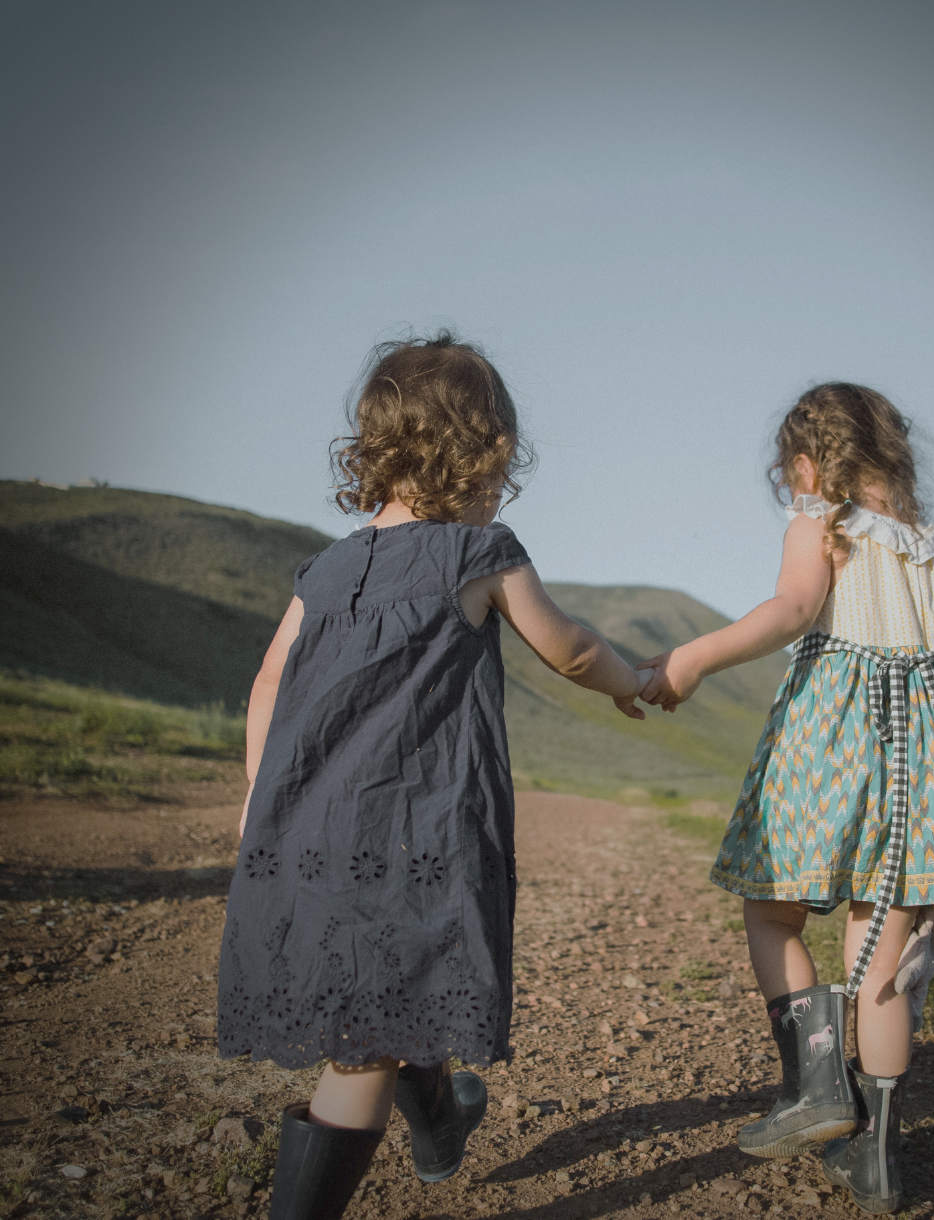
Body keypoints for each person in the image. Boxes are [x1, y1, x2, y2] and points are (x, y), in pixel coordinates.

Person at [217, 333, 650, 1220]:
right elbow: (567, 649)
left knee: (388, 988)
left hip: (303, 826)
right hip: (411, 830)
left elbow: (267, 682)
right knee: (364, 1043)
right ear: (481, 450)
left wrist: (260, 803)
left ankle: (441, 1123)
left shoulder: (325, 568)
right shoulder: (478, 552)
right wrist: (635, 680)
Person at [640, 383, 934, 1213]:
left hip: (832, 746)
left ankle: (816, 1086)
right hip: (926, 761)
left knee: (773, 910)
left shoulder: (821, 523)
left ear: (809, 464)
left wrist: (693, 659)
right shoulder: (932, 552)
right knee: (881, 960)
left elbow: (794, 608)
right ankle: (876, 1158)